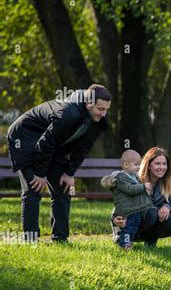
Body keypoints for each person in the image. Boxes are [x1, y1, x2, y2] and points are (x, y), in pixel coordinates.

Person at [6, 84, 111, 243]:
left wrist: (69, 173)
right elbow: (46, 143)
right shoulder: (68, 114)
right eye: (101, 109)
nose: (104, 114)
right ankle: (31, 240)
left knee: (64, 188)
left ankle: (60, 239)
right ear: (89, 104)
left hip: (51, 144)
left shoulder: (98, 120)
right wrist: (40, 174)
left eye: (106, 109)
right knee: (33, 187)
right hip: (25, 136)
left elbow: (83, 148)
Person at [111, 147, 171, 247]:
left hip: (150, 222)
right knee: (152, 213)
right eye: (157, 163)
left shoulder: (167, 183)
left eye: (164, 164)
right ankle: (128, 240)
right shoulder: (134, 180)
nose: (162, 167)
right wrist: (115, 218)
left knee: (169, 218)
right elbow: (121, 202)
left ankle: (151, 241)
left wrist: (167, 206)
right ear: (149, 165)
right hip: (132, 222)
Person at [101, 150, 154, 250]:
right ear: (126, 164)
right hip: (126, 210)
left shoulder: (134, 177)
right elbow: (130, 190)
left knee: (134, 227)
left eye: (139, 164)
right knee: (128, 227)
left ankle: (129, 243)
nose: (138, 167)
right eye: (136, 164)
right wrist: (143, 187)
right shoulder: (121, 179)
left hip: (134, 209)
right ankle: (123, 245)